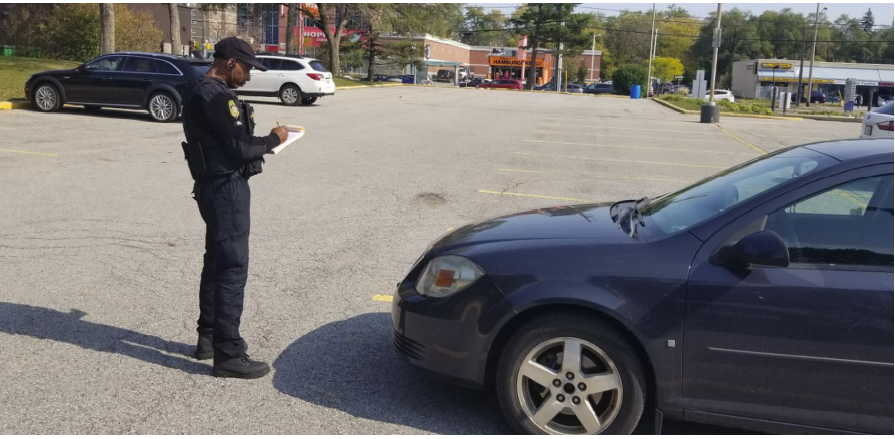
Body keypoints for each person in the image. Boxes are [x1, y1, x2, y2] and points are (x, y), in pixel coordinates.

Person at [180, 36, 288, 379]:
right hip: (226, 189)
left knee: (216, 263)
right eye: (246, 68)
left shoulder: (203, 90)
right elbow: (241, 148)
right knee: (231, 269)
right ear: (229, 62)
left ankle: (209, 338)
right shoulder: (214, 96)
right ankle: (229, 353)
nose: (249, 76)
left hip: (214, 186)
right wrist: (275, 139)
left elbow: (230, 144)